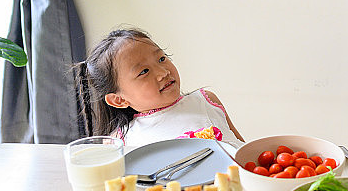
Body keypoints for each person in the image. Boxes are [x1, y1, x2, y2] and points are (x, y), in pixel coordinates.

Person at [75, 27, 244, 147]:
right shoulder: (119, 142)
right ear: (119, 100)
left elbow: (244, 151)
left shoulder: (206, 100)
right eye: (144, 71)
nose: (163, 72)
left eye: (162, 59)